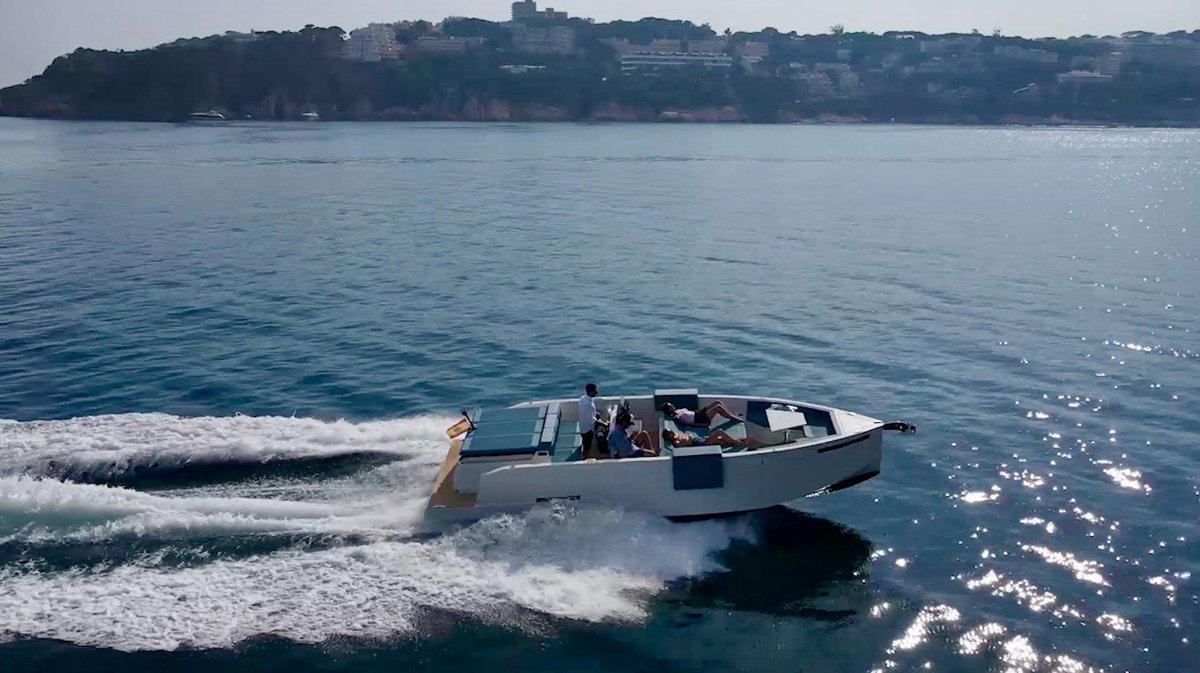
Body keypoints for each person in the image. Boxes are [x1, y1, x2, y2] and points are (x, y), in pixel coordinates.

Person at [661, 428, 765, 451]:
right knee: (719, 432)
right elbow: (684, 447)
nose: (672, 432)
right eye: (670, 432)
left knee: (723, 439)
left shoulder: (676, 436)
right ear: (668, 436)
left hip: (701, 440)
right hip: (701, 444)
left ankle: (743, 442)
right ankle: (740, 443)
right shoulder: (676, 442)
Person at [660, 400, 744, 427]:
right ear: (669, 410)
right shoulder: (678, 417)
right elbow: (691, 424)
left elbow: (690, 412)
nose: (672, 405)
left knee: (717, 402)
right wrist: (704, 425)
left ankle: (730, 414)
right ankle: (732, 418)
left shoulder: (678, 410)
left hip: (699, 413)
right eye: (671, 406)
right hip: (702, 419)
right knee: (718, 407)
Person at [578, 383, 607, 458]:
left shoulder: (582, 398)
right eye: (595, 391)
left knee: (585, 443)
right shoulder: (588, 404)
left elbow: (588, 413)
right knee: (587, 446)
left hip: (582, 425)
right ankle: (585, 459)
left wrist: (596, 414)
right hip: (587, 430)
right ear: (590, 392)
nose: (596, 392)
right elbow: (592, 420)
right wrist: (604, 424)